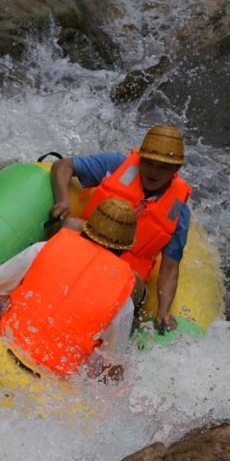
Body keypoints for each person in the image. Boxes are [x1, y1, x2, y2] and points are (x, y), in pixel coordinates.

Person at [0, 198, 138, 381]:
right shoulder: (124, 301)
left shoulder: (42, 249)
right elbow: (111, 368)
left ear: (85, 230)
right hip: (52, 381)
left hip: (4, 347)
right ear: (124, 250)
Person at [49, 124, 191, 331]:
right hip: (89, 246)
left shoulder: (179, 211)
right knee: (71, 224)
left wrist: (163, 311)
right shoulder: (117, 164)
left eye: (163, 167)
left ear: (176, 169)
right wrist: (63, 200)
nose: (153, 171)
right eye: (149, 163)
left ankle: (101, 335)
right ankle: (48, 284)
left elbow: (169, 268)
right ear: (140, 158)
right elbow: (63, 166)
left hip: (125, 275)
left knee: (132, 280)